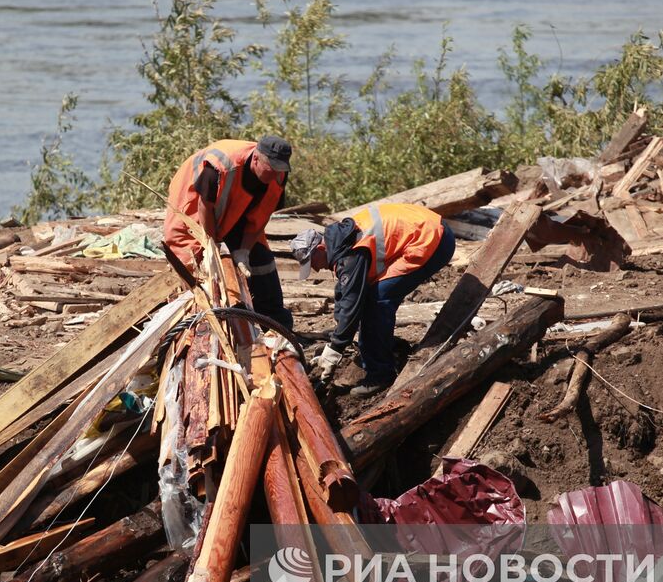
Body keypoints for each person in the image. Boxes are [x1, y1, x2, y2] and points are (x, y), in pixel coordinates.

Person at [292, 202, 456, 395]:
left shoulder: (350, 255)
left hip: (431, 240)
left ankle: (380, 375)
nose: (315, 269)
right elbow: (345, 293)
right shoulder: (341, 241)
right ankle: (389, 348)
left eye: (313, 262)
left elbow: (353, 303)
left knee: (377, 301)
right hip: (428, 229)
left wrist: (336, 347)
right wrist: (337, 335)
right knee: (370, 297)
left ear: (320, 248)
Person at [164, 135, 295, 330]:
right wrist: (211, 245)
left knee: (262, 262)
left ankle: (275, 326)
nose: (274, 175)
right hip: (193, 210)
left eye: (279, 170)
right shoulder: (221, 165)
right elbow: (204, 205)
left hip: (239, 212)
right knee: (192, 264)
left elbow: (263, 214)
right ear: (256, 158)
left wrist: (244, 250)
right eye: (270, 169)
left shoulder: (278, 175)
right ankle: (199, 322)